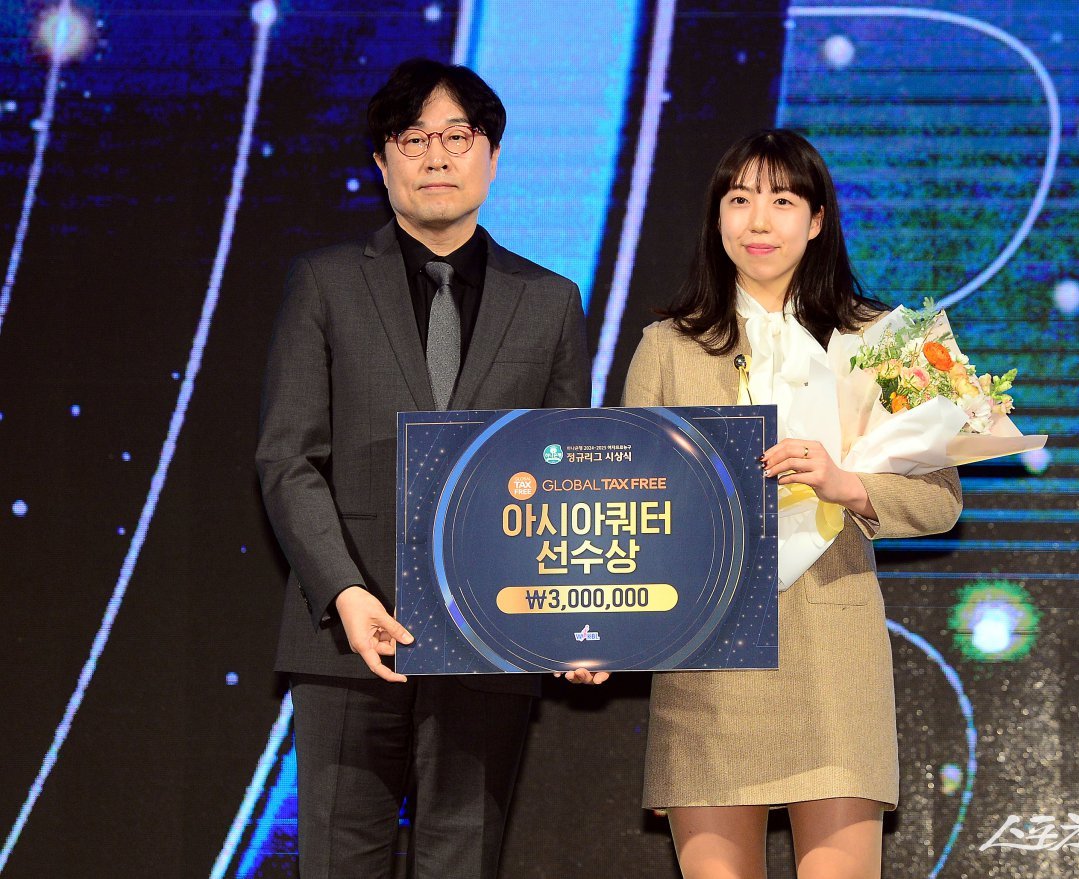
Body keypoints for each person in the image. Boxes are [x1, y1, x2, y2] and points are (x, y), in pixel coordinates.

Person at [255, 58, 592, 879]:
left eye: (457, 137)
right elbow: (288, 457)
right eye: (413, 139)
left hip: (492, 638)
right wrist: (345, 590)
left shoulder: (549, 301)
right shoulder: (326, 283)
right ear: (382, 161)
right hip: (346, 639)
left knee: (464, 862)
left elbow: (567, 475)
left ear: (492, 157)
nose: (436, 157)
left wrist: (576, 613)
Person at [622, 129, 963, 879]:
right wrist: (595, 633)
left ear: (816, 220)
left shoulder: (886, 340)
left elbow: (941, 502)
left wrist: (844, 483)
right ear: (717, 218)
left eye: (781, 200)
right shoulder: (667, 346)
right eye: (739, 199)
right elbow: (630, 509)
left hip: (833, 649)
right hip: (709, 657)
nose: (758, 220)